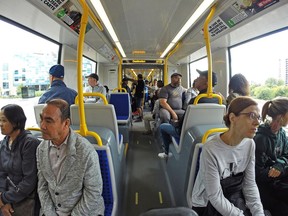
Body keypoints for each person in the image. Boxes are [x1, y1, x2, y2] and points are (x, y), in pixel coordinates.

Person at [192, 96, 265, 215]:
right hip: (206, 202)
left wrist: (259, 213)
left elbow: (249, 184)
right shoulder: (211, 148)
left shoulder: (250, 144)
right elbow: (215, 196)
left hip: (231, 194)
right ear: (232, 118)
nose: (257, 123)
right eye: (251, 116)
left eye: (258, 118)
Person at [37, 99, 104, 216]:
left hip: (83, 212)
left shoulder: (85, 151)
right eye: (41, 119)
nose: (42, 126)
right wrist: (50, 213)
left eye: (49, 121)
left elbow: (93, 192)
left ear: (66, 123)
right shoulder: (41, 149)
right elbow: (42, 186)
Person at [0, 104, 40, 216]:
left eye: (4, 120)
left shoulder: (29, 143)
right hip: (7, 196)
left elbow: (29, 181)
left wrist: (4, 199)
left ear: (15, 122)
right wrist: (3, 199)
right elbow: (2, 172)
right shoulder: (5, 141)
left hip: (25, 198)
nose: (0, 124)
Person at [253, 97, 288, 216]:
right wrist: (275, 170)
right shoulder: (260, 138)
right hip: (264, 186)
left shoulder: (282, 133)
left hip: (277, 179)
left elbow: (286, 155)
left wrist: (280, 165)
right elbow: (257, 173)